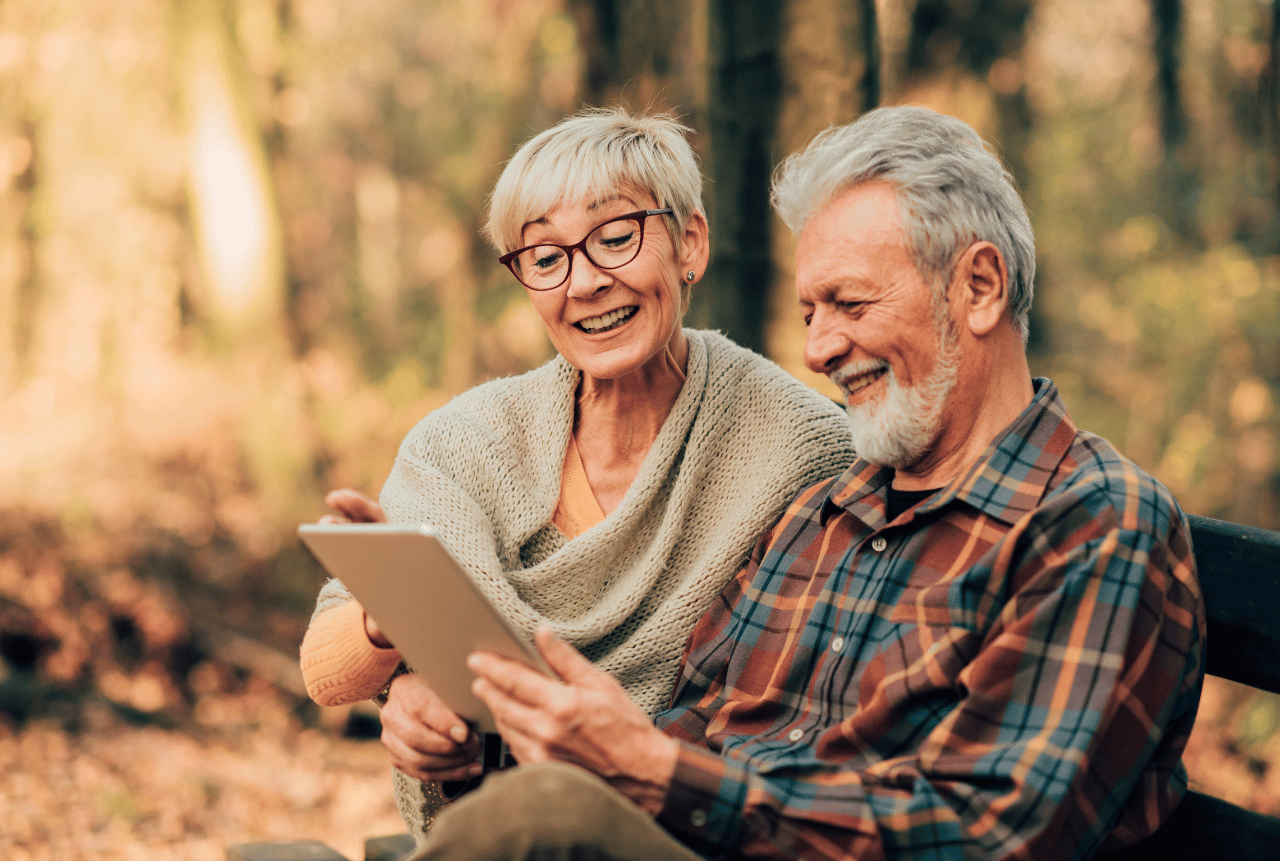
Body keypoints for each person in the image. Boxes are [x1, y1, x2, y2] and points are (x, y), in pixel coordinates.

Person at [399, 105, 1207, 861]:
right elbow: (690, 727)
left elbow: (989, 834)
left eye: (849, 304)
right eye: (811, 311)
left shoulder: (1092, 523)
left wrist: (652, 774)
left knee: (542, 819)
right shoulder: (831, 509)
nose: (819, 349)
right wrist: (493, 746)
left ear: (980, 287)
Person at [297, 108, 858, 843]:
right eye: (545, 257)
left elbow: (803, 706)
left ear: (690, 243)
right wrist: (401, 650)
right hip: (496, 831)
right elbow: (325, 670)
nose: (585, 282)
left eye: (615, 238)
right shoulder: (462, 442)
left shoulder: (802, 446)